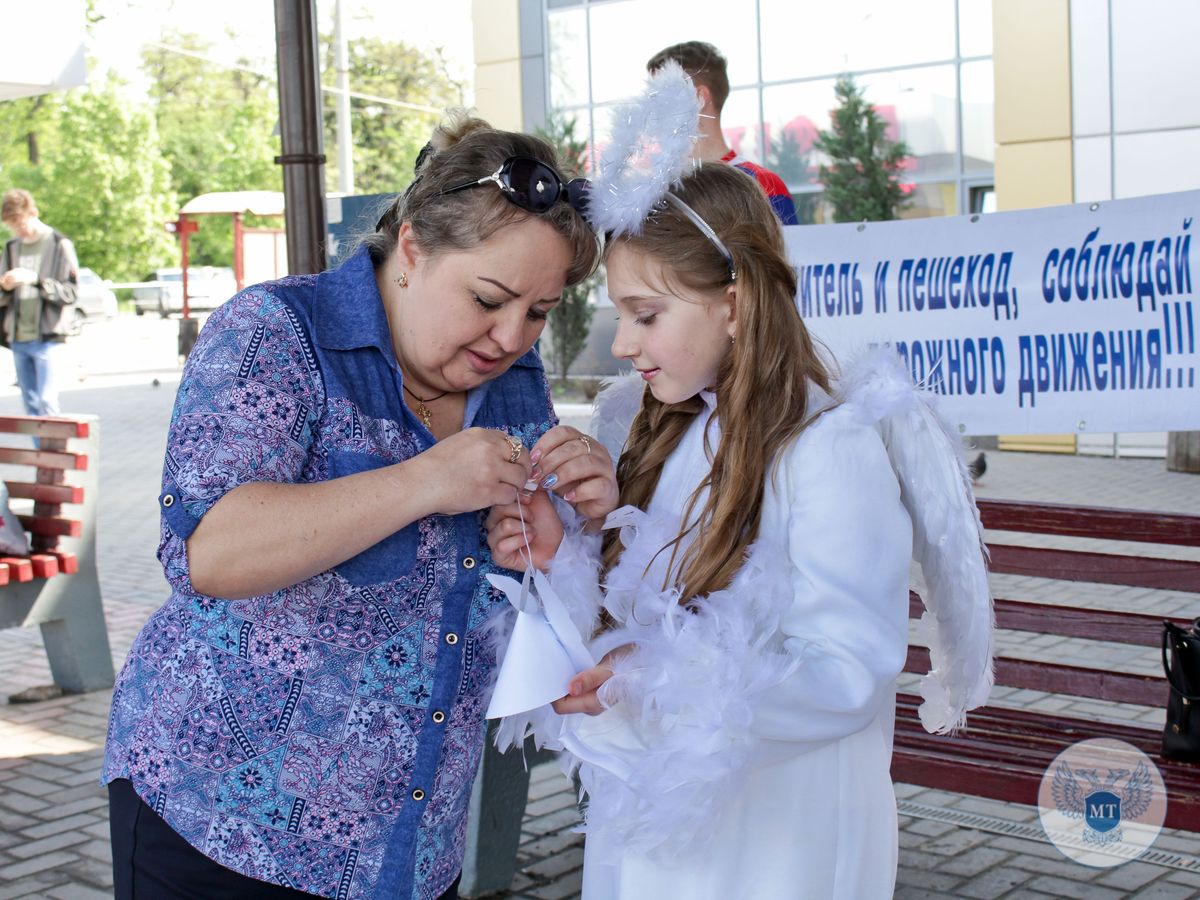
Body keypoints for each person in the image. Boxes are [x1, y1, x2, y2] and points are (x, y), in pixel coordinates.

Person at [101, 114, 618, 900]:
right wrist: (423, 482)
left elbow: (521, 580)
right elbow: (210, 553)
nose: (511, 335)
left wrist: (562, 533)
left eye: (539, 312)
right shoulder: (278, 333)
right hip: (223, 829)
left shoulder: (514, 383)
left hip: (409, 850)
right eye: (489, 298)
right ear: (412, 248)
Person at [487, 165, 992, 897]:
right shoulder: (666, 428)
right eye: (619, 315)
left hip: (773, 847)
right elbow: (637, 608)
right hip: (656, 840)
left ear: (733, 303)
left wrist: (656, 681)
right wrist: (566, 553)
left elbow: (848, 670)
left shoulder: (827, 447)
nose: (622, 343)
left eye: (647, 314)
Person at [647, 40, 800, 225]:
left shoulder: (765, 186)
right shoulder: (652, 195)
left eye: (660, 96)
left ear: (698, 97)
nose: (650, 110)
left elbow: (786, 254)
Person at [0, 188, 78, 415]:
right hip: (17, 335)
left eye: (19, 222)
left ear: (32, 212)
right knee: (31, 405)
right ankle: (39, 450)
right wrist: (5, 286)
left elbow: (71, 293)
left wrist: (35, 280)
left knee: (47, 402)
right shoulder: (12, 247)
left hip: (47, 336)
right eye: (11, 225)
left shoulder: (59, 244)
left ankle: (55, 450)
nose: (17, 229)